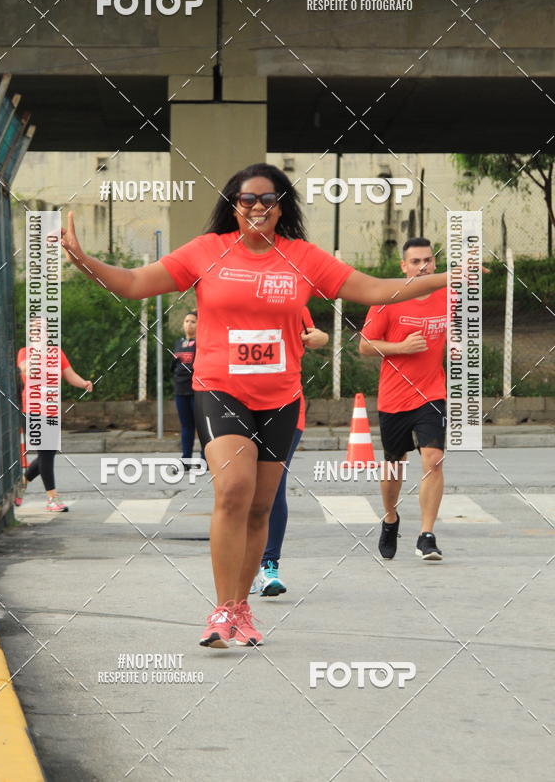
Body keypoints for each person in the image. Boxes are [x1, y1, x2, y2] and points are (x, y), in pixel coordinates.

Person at [61, 164, 448, 648]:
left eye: (269, 199)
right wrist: (83, 260)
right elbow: (136, 282)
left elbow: (374, 289)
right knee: (234, 490)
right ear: (234, 204)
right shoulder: (207, 252)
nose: (258, 207)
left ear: (281, 206)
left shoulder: (302, 258)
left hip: (281, 397)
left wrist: (447, 279)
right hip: (220, 389)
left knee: (261, 506)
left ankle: (242, 609)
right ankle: (221, 610)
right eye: (248, 199)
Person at [359, 237, 449, 561]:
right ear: (403, 266)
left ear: (435, 264)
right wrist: (401, 348)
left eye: (427, 260)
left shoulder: (447, 296)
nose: (423, 266)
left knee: (433, 459)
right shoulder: (388, 298)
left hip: (432, 394)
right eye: (415, 261)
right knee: (394, 467)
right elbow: (365, 346)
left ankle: (427, 536)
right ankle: (390, 518)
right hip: (395, 397)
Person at [251, 306, 328, 597]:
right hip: (238, 409)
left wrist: (320, 336)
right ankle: (245, 566)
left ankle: (269, 567)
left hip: (286, 408)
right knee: (240, 487)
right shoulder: (231, 296)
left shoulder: (291, 299)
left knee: (273, 487)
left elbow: (314, 334)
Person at [17, 318, 93, 512]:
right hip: (32, 409)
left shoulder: (57, 354)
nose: (39, 332)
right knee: (46, 453)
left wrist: (84, 383)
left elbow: (69, 375)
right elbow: (25, 369)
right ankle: (52, 498)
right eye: (34, 329)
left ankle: (20, 484)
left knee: (47, 453)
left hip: (51, 409)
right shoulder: (25, 353)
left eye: (42, 329)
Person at [170, 311, 198, 469]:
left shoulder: (201, 343)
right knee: (186, 426)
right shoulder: (178, 344)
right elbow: (173, 366)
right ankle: (186, 459)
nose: (189, 324)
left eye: (193, 321)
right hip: (180, 390)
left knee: (201, 427)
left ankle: (205, 459)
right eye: (186, 321)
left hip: (196, 390)